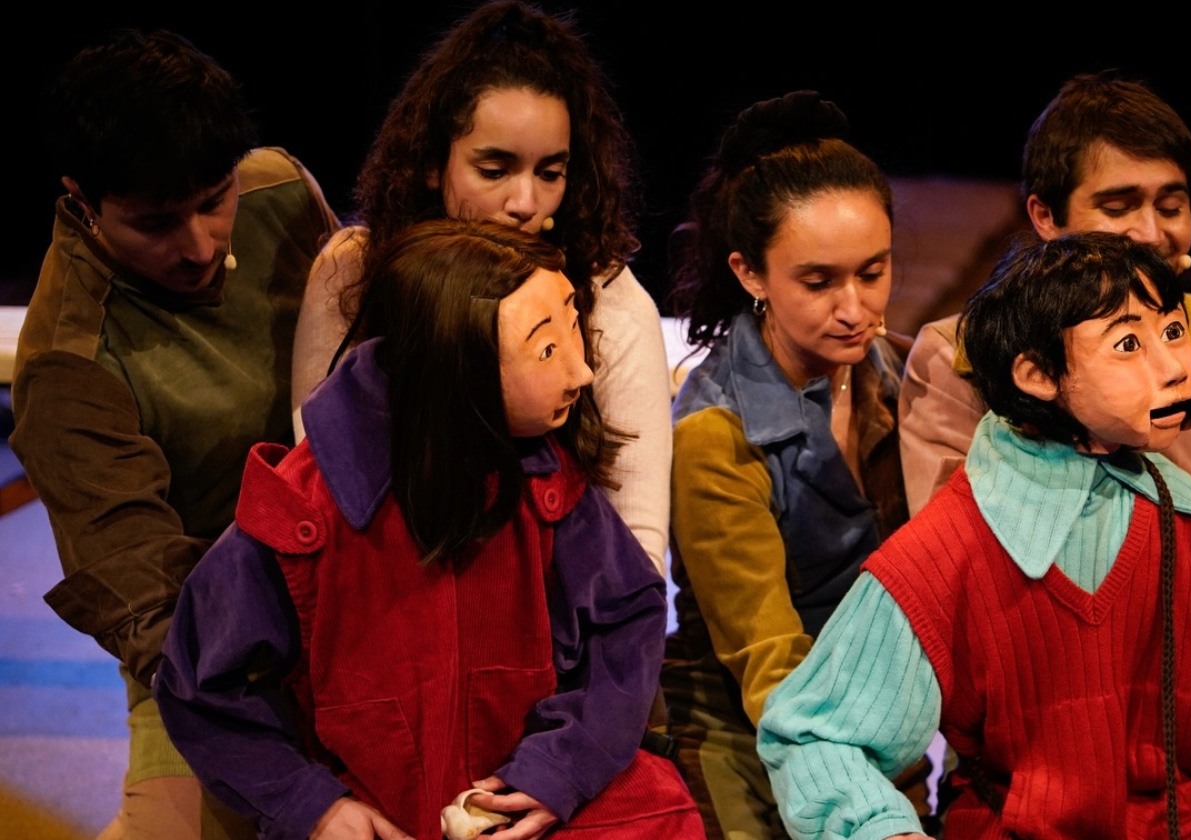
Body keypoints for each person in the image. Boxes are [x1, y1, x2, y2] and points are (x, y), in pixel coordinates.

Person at [759, 233, 1191, 840]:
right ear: (1038, 374)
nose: (1175, 367)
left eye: (1174, 332)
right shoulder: (946, 551)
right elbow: (817, 734)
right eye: (1128, 345)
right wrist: (877, 829)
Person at [154, 219, 703, 840]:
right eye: (548, 350)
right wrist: (311, 803)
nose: (581, 373)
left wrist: (559, 769)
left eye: (573, 328)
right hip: (374, 810)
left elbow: (628, 618)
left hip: (532, 791)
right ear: (456, 365)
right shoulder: (306, 506)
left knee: (662, 812)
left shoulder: (549, 480)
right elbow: (197, 683)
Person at [9, 29, 338, 840]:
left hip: (366, 586)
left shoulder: (282, 190)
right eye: (155, 222)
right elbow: (154, 615)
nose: (199, 245)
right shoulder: (68, 363)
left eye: (214, 199)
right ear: (83, 200)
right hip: (215, 650)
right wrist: (299, 790)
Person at [899, 73, 1191, 647]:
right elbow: (958, 580)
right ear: (1045, 217)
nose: (1151, 233)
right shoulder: (959, 359)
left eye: (1172, 206)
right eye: (1117, 206)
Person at [291, 0, 671, 574]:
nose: (524, 203)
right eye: (494, 171)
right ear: (431, 163)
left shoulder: (608, 297)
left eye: (550, 173)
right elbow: (312, 489)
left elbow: (637, 552)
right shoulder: (355, 270)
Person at [662, 91, 924, 839]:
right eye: (819, 282)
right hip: (752, 738)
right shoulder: (717, 431)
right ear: (751, 273)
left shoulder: (908, 379)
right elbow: (770, 665)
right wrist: (866, 811)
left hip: (883, 730)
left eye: (873, 272)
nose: (855, 307)